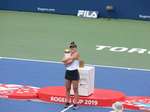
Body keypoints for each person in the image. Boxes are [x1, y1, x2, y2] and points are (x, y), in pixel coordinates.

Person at [62, 42, 80, 110]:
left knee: (75, 89)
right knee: (67, 88)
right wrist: (68, 59)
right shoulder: (68, 54)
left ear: (76, 48)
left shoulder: (77, 54)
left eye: (74, 47)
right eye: (71, 47)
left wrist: (66, 62)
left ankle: (75, 103)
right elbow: (62, 60)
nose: (72, 48)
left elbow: (70, 61)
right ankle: (67, 102)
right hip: (68, 72)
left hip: (74, 72)